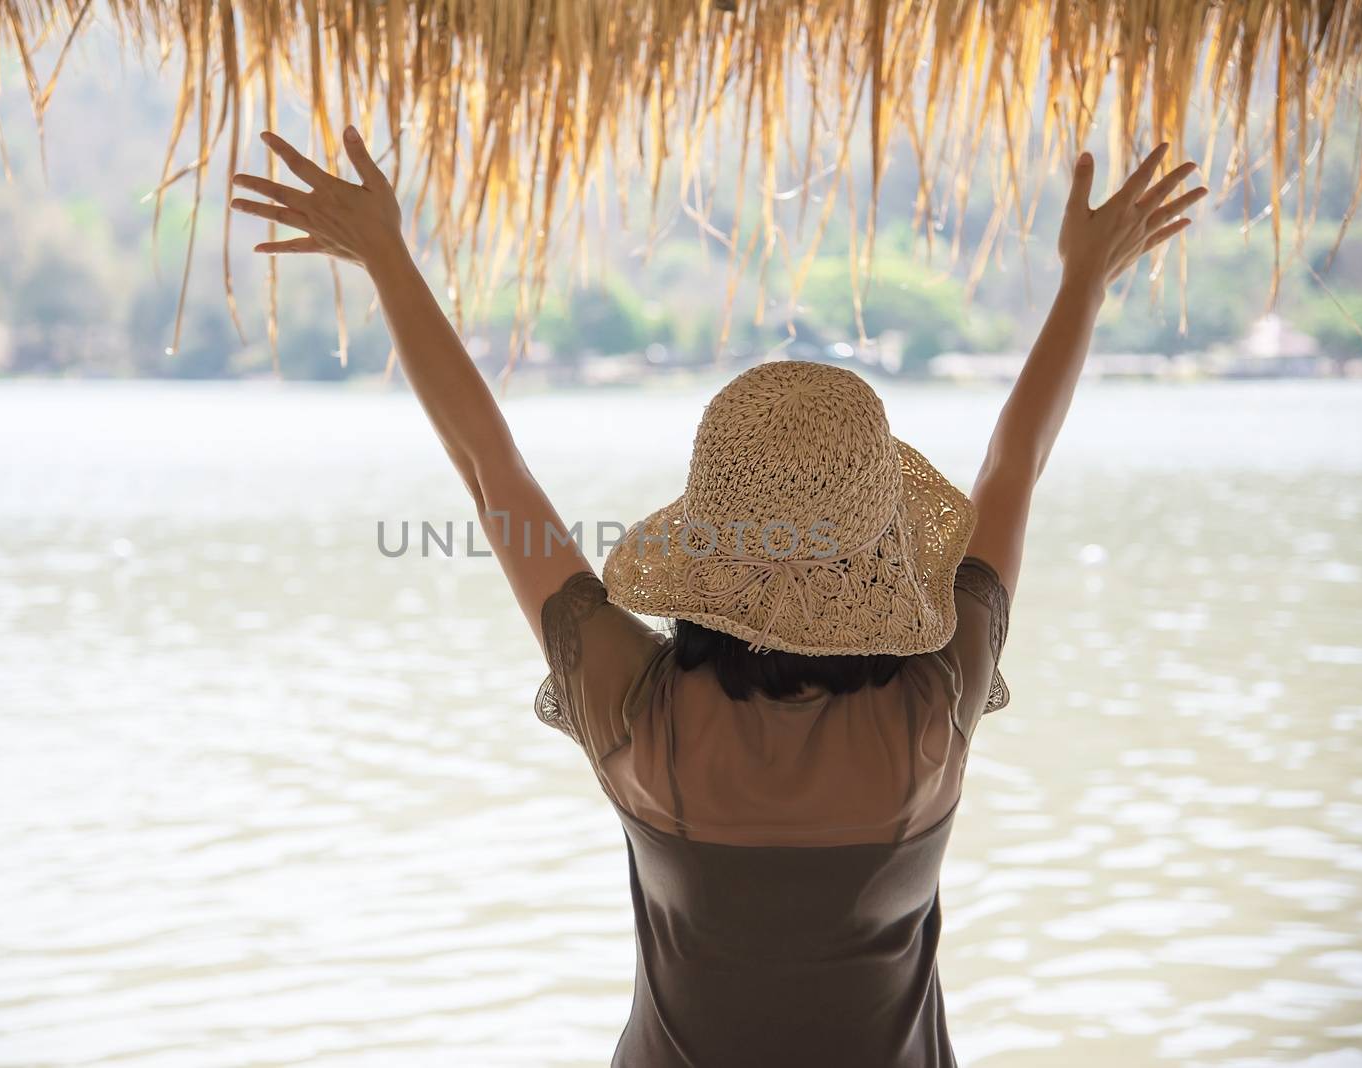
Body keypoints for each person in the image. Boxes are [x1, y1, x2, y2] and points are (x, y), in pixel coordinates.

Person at [231, 128, 1205, 1066]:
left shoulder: (637, 716)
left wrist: (385, 255)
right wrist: (1083, 279)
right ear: (882, 555)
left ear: (707, 547)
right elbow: (1013, 467)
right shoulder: (930, 713)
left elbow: (493, 473)